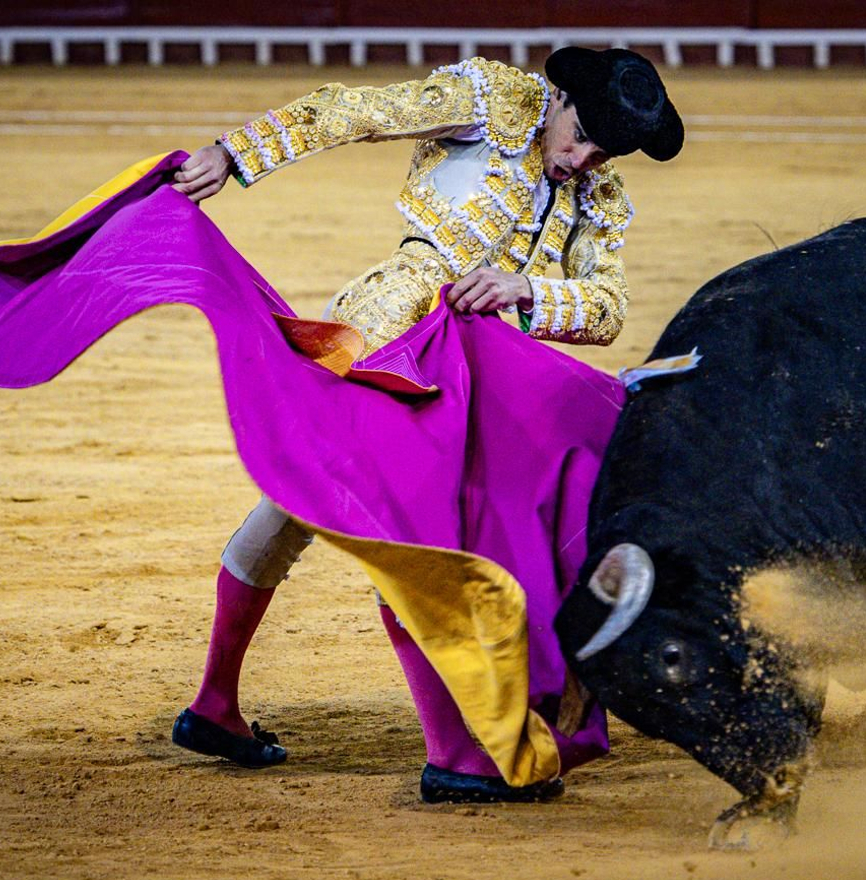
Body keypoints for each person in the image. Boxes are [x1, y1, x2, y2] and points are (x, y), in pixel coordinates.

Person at [164, 48, 683, 802]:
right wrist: (234, 155)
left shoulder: (599, 195)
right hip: (388, 335)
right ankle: (451, 754)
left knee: (295, 508)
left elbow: (607, 308)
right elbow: (355, 112)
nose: (583, 159)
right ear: (559, 97)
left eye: (603, 151)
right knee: (412, 533)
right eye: (580, 137)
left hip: (484, 383)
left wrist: (526, 287)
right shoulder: (490, 102)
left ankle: (214, 706)